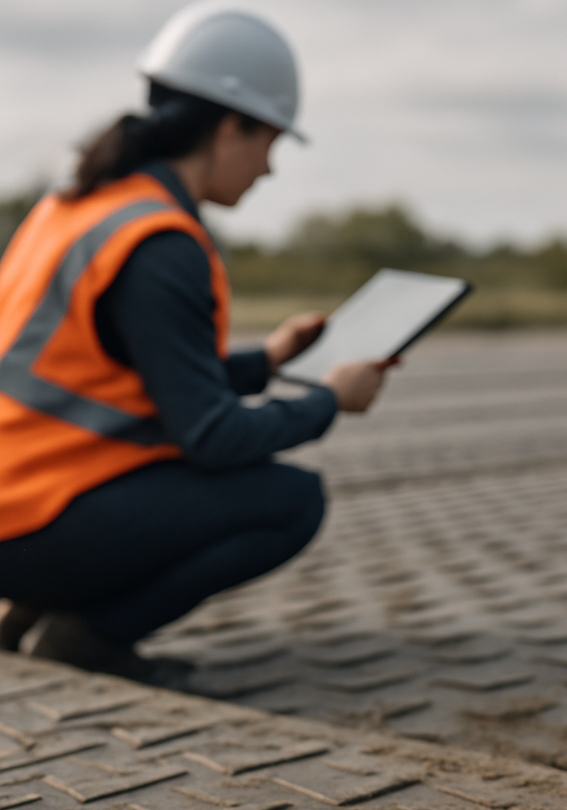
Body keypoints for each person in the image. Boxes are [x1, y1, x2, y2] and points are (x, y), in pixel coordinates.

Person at [0, 5, 391, 684]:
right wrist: (329, 400)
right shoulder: (160, 243)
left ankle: (34, 609)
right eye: (269, 141)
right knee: (291, 502)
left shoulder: (79, 205)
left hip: (21, 496)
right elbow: (210, 435)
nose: (268, 169)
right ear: (229, 125)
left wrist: (267, 362)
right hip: (33, 515)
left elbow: (128, 375)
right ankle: (85, 637)